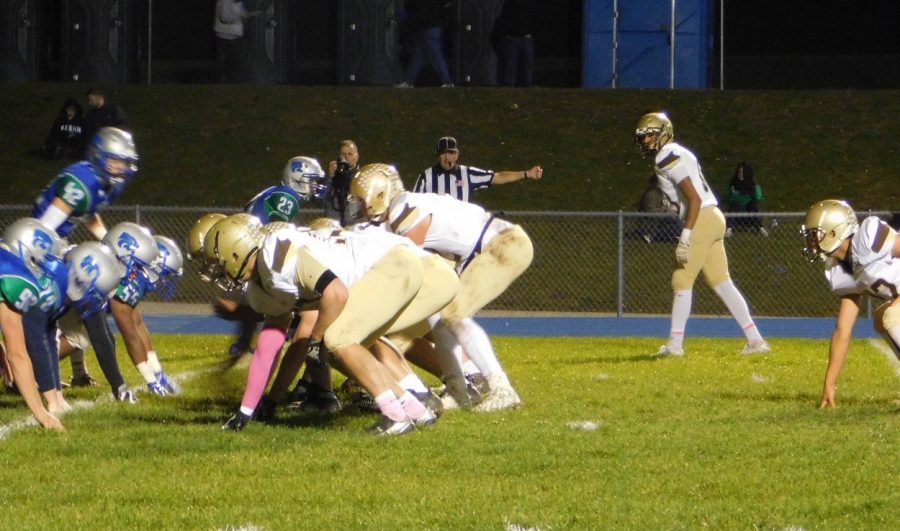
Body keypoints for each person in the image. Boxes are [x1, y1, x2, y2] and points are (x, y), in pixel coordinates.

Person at [202, 213, 452, 434]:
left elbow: (336, 294)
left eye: (218, 262)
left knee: (335, 337)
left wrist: (316, 339)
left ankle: (397, 413)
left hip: (397, 266)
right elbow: (270, 346)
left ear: (236, 252)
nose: (218, 271)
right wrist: (248, 409)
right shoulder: (263, 286)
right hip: (394, 270)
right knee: (342, 341)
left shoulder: (276, 257)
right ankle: (416, 409)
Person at [352, 163, 533, 411]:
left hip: (503, 244)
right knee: (439, 317)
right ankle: (458, 389)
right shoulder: (405, 205)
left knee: (452, 314)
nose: (361, 206)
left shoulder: (402, 211)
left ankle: (501, 388)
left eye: (363, 200)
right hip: (491, 247)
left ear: (380, 194)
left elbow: (407, 267)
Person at [633, 112, 770, 357]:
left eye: (650, 136)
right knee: (722, 281)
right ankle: (756, 340)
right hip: (714, 215)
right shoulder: (680, 151)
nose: (646, 142)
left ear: (664, 133)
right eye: (644, 138)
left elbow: (693, 198)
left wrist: (685, 236)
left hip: (702, 217)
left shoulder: (665, 155)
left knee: (682, 279)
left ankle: (675, 345)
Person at [31, 126, 140, 400]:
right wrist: (47, 261)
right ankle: (28, 370)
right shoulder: (82, 181)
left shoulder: (103, 184)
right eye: (115, 160)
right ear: (99, 155)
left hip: (53, 244)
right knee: (85, 303)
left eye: (124, 162)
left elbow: (87, 213)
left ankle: (77, 372)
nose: (120, 168)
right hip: (40, 245)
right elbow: (45, 227)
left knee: (82, 308)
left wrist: (106, 239)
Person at [800, 199, 900, 408]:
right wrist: (830, 382)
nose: (811, 240)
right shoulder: (839, 269)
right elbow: (843, 329)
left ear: (834, 232)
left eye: (815, 233)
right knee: (881, 318)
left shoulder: (867, 238)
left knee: (892, 316)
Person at [412, 136, 543, 201]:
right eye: (443, 153)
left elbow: (497, 177)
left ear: (457, 155)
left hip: (461, 232)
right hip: (435, 233)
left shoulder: (467, 174)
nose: (447, 157)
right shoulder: (426, 176)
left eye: (451, 153)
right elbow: (414, 203)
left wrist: (527, 174)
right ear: (438, 155)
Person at [396, 0, 455, 88]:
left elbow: (407, 7)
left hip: (420, 25)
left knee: (423, 55)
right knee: (425, 54)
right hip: (432, 24)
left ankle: (409, 82)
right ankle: (409, 81)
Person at [494, 0, 538, 87]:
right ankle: (514, 85)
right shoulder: (510, 3)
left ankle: (526, 84)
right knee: (513, 65)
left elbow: (535, 19)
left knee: (525, 65)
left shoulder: (528, 4)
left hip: (523, 37)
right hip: (514, 38)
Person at [213, 0, 255, 83]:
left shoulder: (223, 2)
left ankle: (227, 80)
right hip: (231, 35)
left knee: (227, 61)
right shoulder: (227, 3)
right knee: (232, 61)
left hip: (225, 34)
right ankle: (229, 80)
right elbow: (226, 17)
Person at [724, 161, 767, 237]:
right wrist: (733, 193)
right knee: (734, 205)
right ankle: (729, 228)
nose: (740, 174)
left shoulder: (752, 184)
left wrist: (752, 192)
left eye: (742, 172)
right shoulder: (734, 183)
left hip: (748, 214)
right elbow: (729, 199)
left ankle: (761, 228)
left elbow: (758, 198)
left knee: (752, 205)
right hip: (737, 214)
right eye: (739, 172)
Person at [326, 140, 363, 225]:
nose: (346, 157)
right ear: (339, 156)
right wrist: (330, 178)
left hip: (355, 224)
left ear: (356, 156)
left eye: (350, 154)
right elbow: (322, 200)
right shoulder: (334, 175)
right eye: (343, 154)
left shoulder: (362, 176)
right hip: (334, 223)